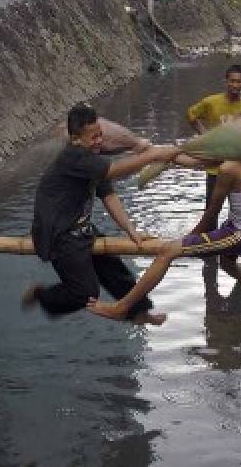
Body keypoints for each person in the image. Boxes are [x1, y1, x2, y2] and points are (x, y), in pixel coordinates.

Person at [87, 122, 241, 340]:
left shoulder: (229, 169)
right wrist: (164, 155)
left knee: (168, 252)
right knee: (228, 264)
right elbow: (193, 161)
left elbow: (212, 211)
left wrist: (187, 240)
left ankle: (122, 306)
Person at [22, 103, 181, 325]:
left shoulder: (92, 157)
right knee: (85, 294)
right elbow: (114, 171)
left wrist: (131, 230)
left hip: (80, 229)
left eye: (100, 135)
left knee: (116, 271)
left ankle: (138, 312)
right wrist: (153, 155)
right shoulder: (73, 156)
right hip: (59, 233)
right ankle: (42, 296)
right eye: (93, 137)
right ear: (76, 139)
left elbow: (108, 196)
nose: (98, 141)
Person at [187, 65, 241, 218]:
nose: (235, 85)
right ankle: (207, 237)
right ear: (226, 81)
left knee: (240, 209)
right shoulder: (211, 102)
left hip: (238, 166)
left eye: (239, 82)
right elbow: (191, 115)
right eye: (232, 81)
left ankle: (233, 235)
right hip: (215, 166)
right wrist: (204, 135)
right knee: (211, 209)